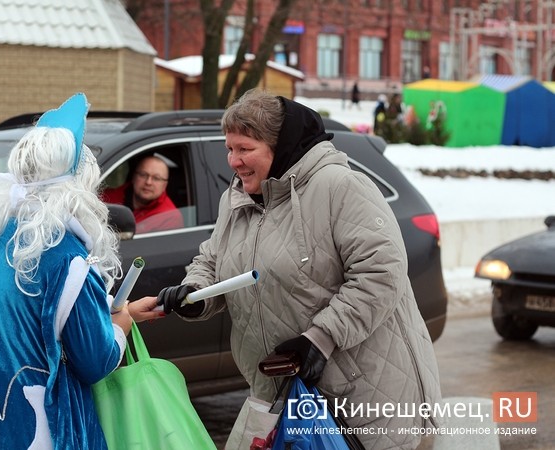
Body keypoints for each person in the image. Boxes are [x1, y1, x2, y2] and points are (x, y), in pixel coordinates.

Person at [156, 89, 442, 449]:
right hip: (285, 395)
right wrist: (195, 292)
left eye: (245, 149)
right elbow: (213, 258)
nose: (233, 161)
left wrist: (320, 338)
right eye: (230, 149)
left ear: (280, 147)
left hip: (365, 398)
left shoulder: (339, 186)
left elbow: (380, 274)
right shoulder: (240, 196)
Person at [0, 93, 161, 449]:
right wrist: (121, 325)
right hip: (37, 425)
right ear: (78, 186)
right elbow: (94, 360)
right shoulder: (67, 256)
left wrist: (113, 311)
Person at [101, 154, 184, 233]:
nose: (148, 182)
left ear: (165, 185)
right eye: (143, 175)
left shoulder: (170, 216)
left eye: (156, 178)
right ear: (133, 177)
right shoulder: (108, 197)